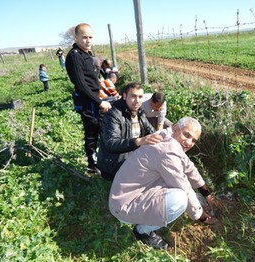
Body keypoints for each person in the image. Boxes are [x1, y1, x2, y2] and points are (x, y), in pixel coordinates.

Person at [108, 117, 223, 250]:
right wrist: (202, 216)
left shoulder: (166, 137)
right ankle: (142, 231)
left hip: (127, 194)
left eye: (193, 140)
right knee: (180, 199)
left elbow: (188, 167)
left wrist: (207, 194)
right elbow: (184, 187)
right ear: (175, 128)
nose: (189, 142)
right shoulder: (167, 150)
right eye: (187, 135)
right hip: (123, 207)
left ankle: (144, 217)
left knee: (174, 182)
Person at [65, 23, 112, 174]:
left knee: (100, 129)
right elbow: (80, 85)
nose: (88, 40)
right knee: (92, 132)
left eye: (90, 37)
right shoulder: (75, 56)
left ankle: (102, 159)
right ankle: (92, 165)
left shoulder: (87, 54)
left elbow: (90, 77)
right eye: (84, 37)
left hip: (95, 97)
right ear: (76, 37)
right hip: (88, 101)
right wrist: (99, 101)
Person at [97, 82, 163, 181]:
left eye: (140, 97)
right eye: (133, 96)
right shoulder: (113, 115)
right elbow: (111, 144)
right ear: (124, 96)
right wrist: (139, 141)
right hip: (114, 167)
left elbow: (151, 132)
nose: (137, 101)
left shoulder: (140, 113)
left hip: (131, 162)